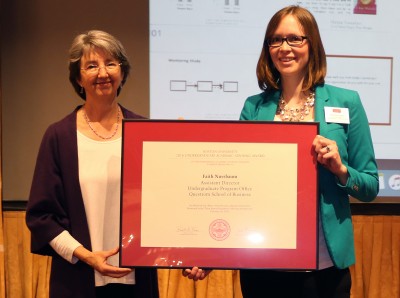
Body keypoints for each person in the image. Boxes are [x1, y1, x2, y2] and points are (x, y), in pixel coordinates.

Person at [183, 5, 379, 297]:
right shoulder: (254, 107)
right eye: (275, 40)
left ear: (311, 44)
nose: (284, 48)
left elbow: (371, 185)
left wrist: (340, 169)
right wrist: (212, 251)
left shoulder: (347, 101)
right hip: (264, 267)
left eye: (294, 39)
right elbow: (235, 186)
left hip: (324, 266)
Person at [26, 30, 159, 298]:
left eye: (111, 63)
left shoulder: (146, 131)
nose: (103, 73)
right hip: (77, 279)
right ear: (78, 78)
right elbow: (41, 217)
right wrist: (87, 256)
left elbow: (164, 203)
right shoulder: (58, 136)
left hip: (137, 279)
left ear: (122, 72)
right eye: (91, 66)